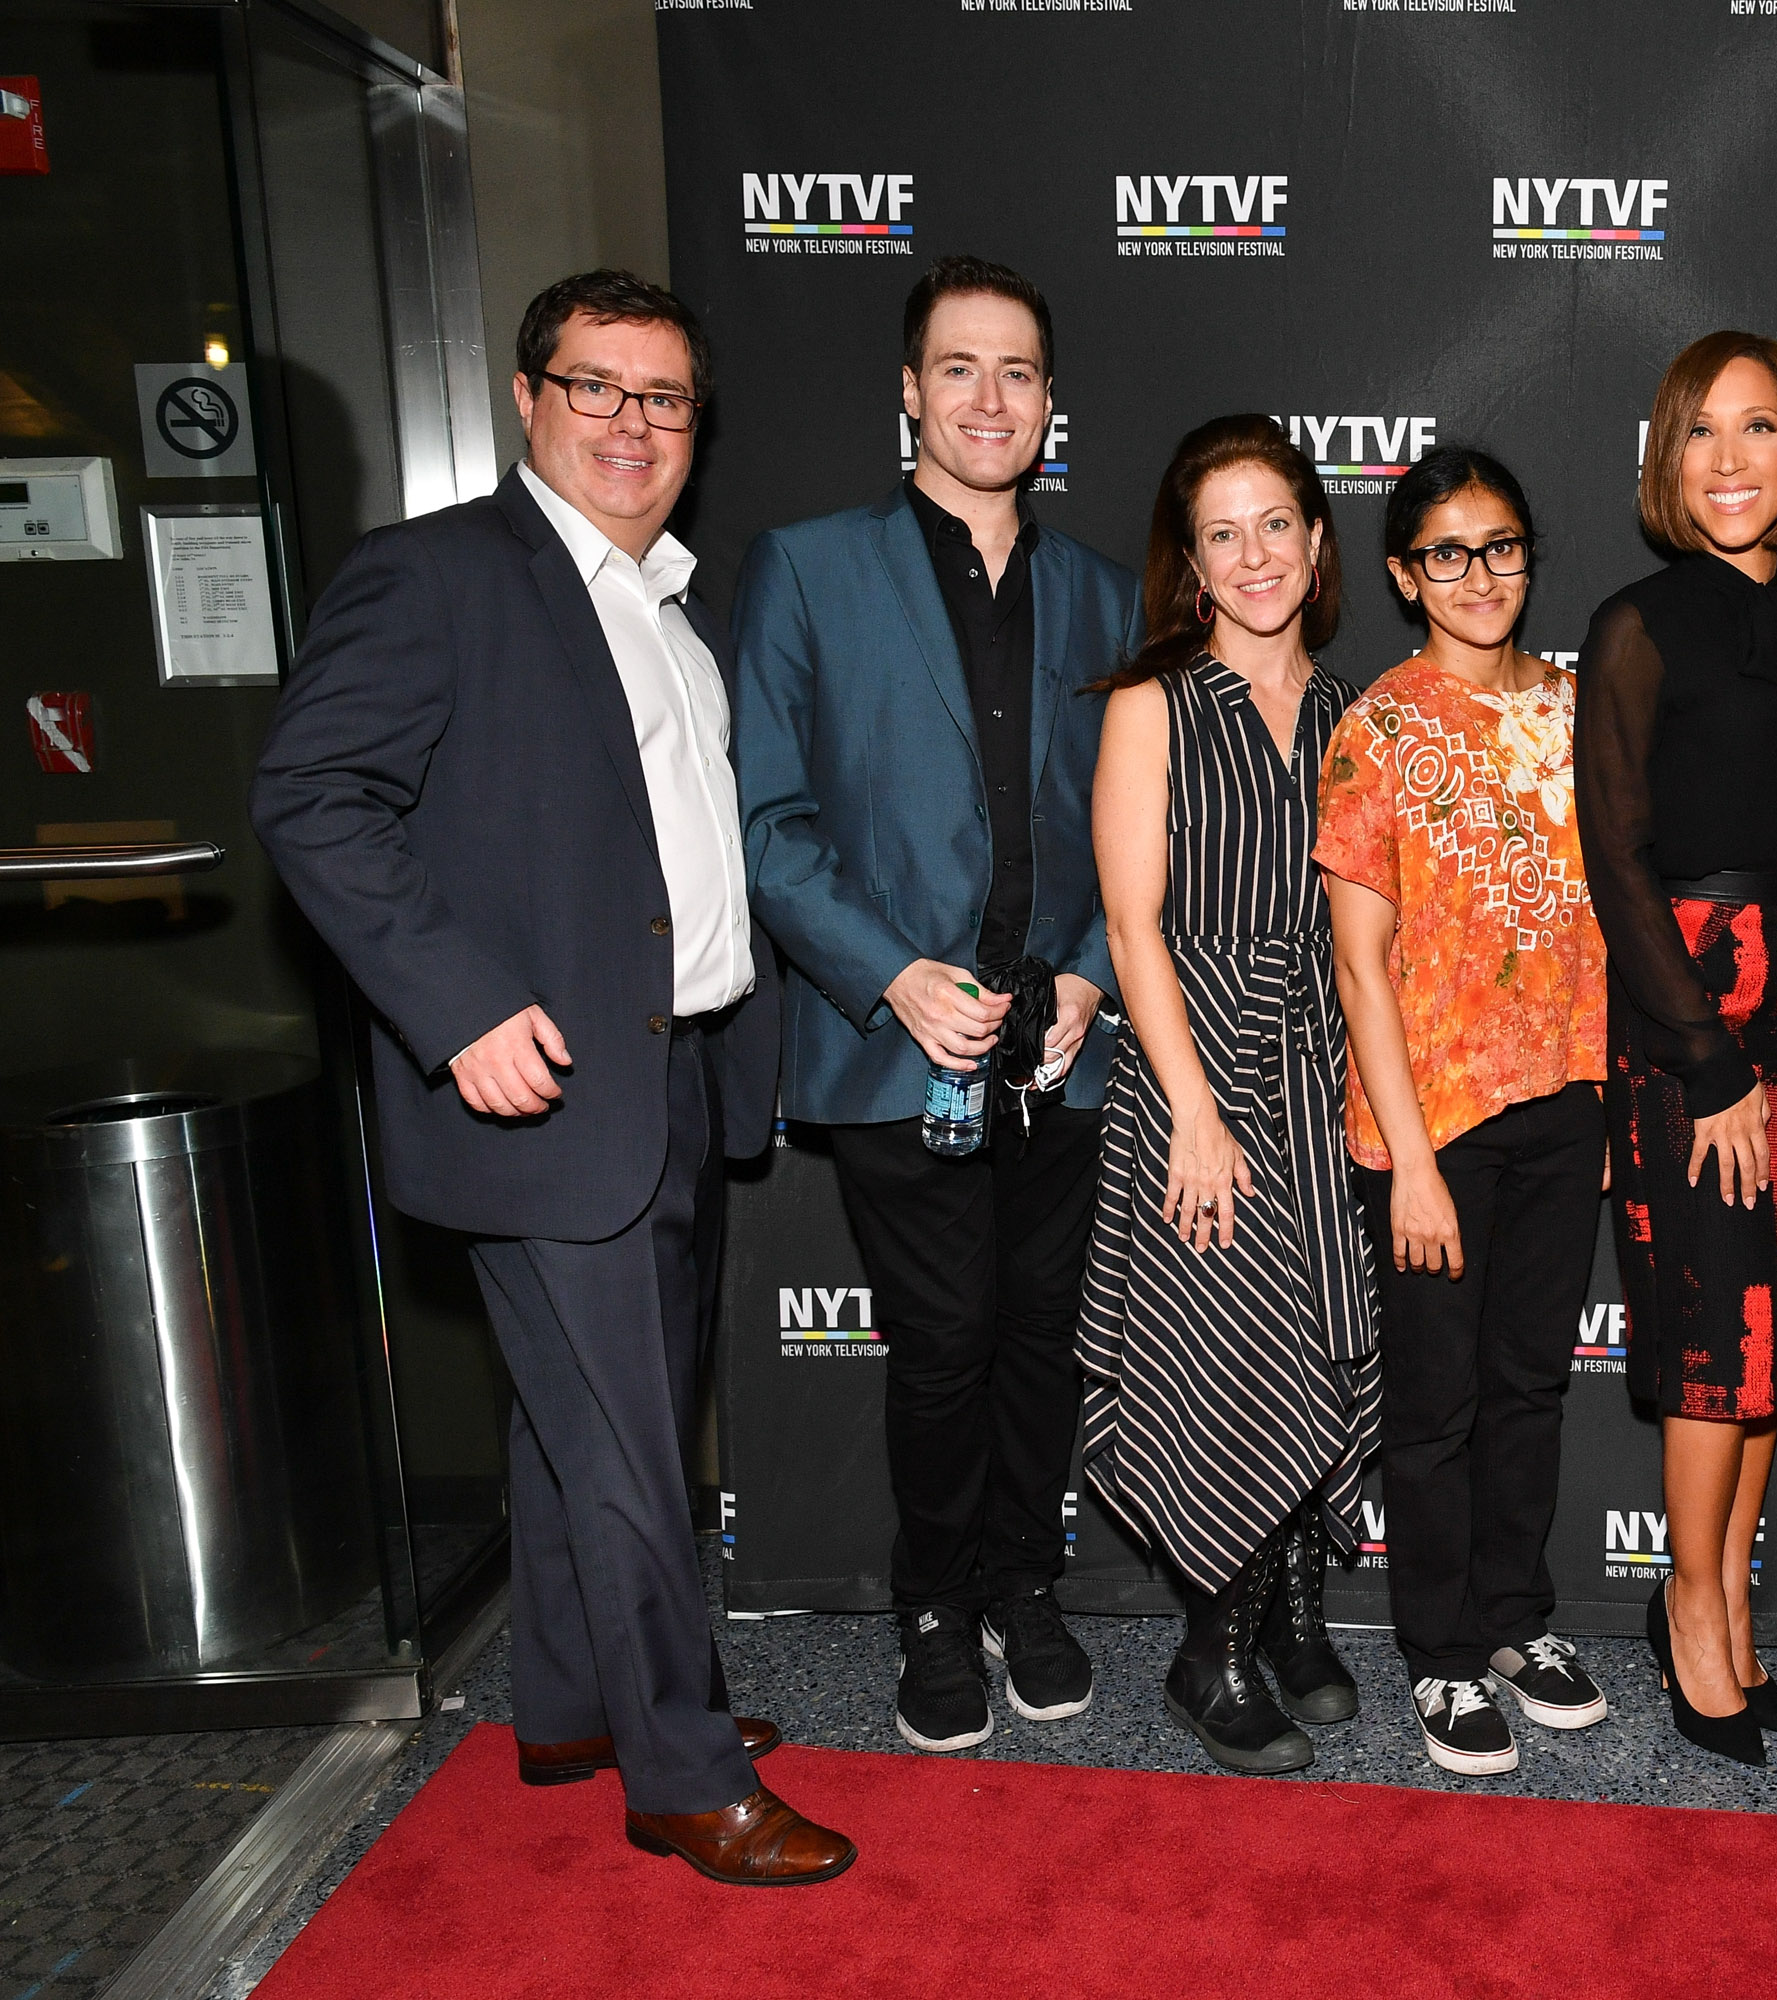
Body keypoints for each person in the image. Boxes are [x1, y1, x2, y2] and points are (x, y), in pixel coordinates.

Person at [251, 271, 851, 1885]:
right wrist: (458, 1009)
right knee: (633, 1451)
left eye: (665, 398)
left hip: (676, 1074)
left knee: (582, 1423)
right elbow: (311, 795)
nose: (630, 424)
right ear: (529, 397)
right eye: (597, 386)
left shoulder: (672, 602)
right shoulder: (435, 576)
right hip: (542, 1090)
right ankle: (682, 1772)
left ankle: (576, 1705)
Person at [731, 256, 1138, 1752]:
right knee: (946, 1338)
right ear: (909, 391)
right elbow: (766, 818)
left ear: (1050, 401)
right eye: (958, 368)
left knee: (1040, 1336)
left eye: (1017, 372)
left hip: (1061, 1042)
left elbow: (1139, 827)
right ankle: (933, 1603)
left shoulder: (1106, 594)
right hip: (896, 1042)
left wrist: (1091, 971)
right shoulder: (806, 568)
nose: (988, 398)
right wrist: (894, 977)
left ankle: (1026, 1585)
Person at [1576, 331, 1777, 1767]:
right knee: (1718, 1338)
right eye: (1699, 430)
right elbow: (1617, 860)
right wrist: (1705, 1061)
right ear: (1667, 459)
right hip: (1692, 1014)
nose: (1729, 459)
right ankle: (1690, 1605)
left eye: (1757, 427)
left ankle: (1727, 1596)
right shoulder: (1635, 625)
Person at [1080, 414, 1381, 1776]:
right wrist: (1194, 1115)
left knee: (1318, 1334)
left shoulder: (1352, 712)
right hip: (1196, 1064)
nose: (1253, 556)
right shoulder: (1152, 704)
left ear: (1316, 541)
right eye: (1222, 535)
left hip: (1322, 1062)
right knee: (1223, 1355)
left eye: (1275, 526)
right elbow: (1131, 926)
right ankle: (1210, 1652)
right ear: (1191, 565)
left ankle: (1294, 1618)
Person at [1318, 447, 1612, 1777]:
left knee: (1529, 1387)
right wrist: (1414, 1165)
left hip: (1567, 1099)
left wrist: (1604, 1096)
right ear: (1405, 574)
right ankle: (1439, 1652)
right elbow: (1360, 965)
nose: (1479, 574)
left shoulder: (1578, 707)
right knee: (1435, 1405)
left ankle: (1513, 1620)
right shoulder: (1377, 729)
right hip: (1432, 1121)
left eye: (1500, 547)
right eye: (1448, 552)